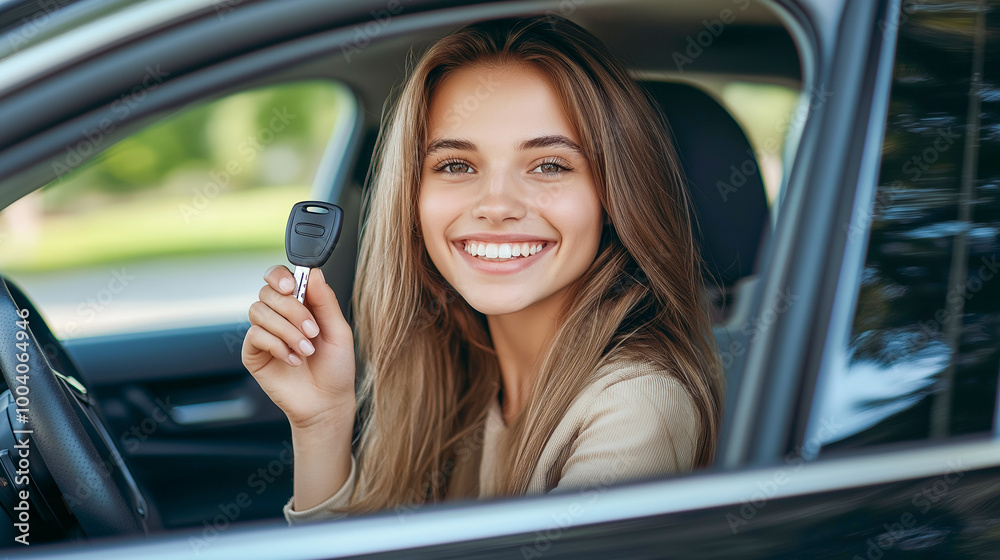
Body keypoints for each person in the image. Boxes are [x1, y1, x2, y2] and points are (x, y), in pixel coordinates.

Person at [241, 14, 724, 524]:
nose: (497, 205)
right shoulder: (453, 378)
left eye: (550, 165)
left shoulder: (638, 405)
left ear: (613, 195)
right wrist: (321, 424)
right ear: (413, 198)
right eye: (456, 166)